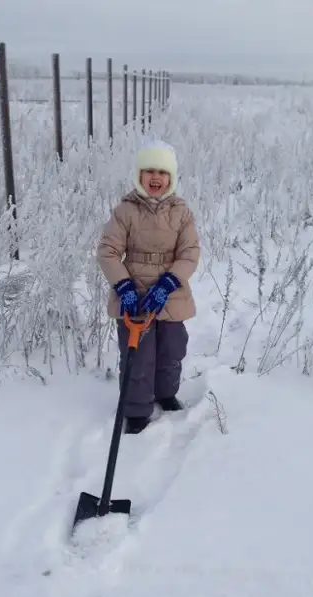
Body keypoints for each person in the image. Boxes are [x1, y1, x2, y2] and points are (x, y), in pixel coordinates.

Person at [96, 140, 201, 434]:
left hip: (171, 292)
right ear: (139, 175)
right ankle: (137, 409)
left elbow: (190, 253)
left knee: (172, 348)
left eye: (162, 172)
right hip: (135, 295)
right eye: (149, 171)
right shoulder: (125, 211)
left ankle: (166, 394)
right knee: (137, 356)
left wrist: (168, 283)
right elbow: (108, 251)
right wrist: (124, 287)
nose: (156, 178)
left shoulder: (182, 212)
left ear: (171, 178)